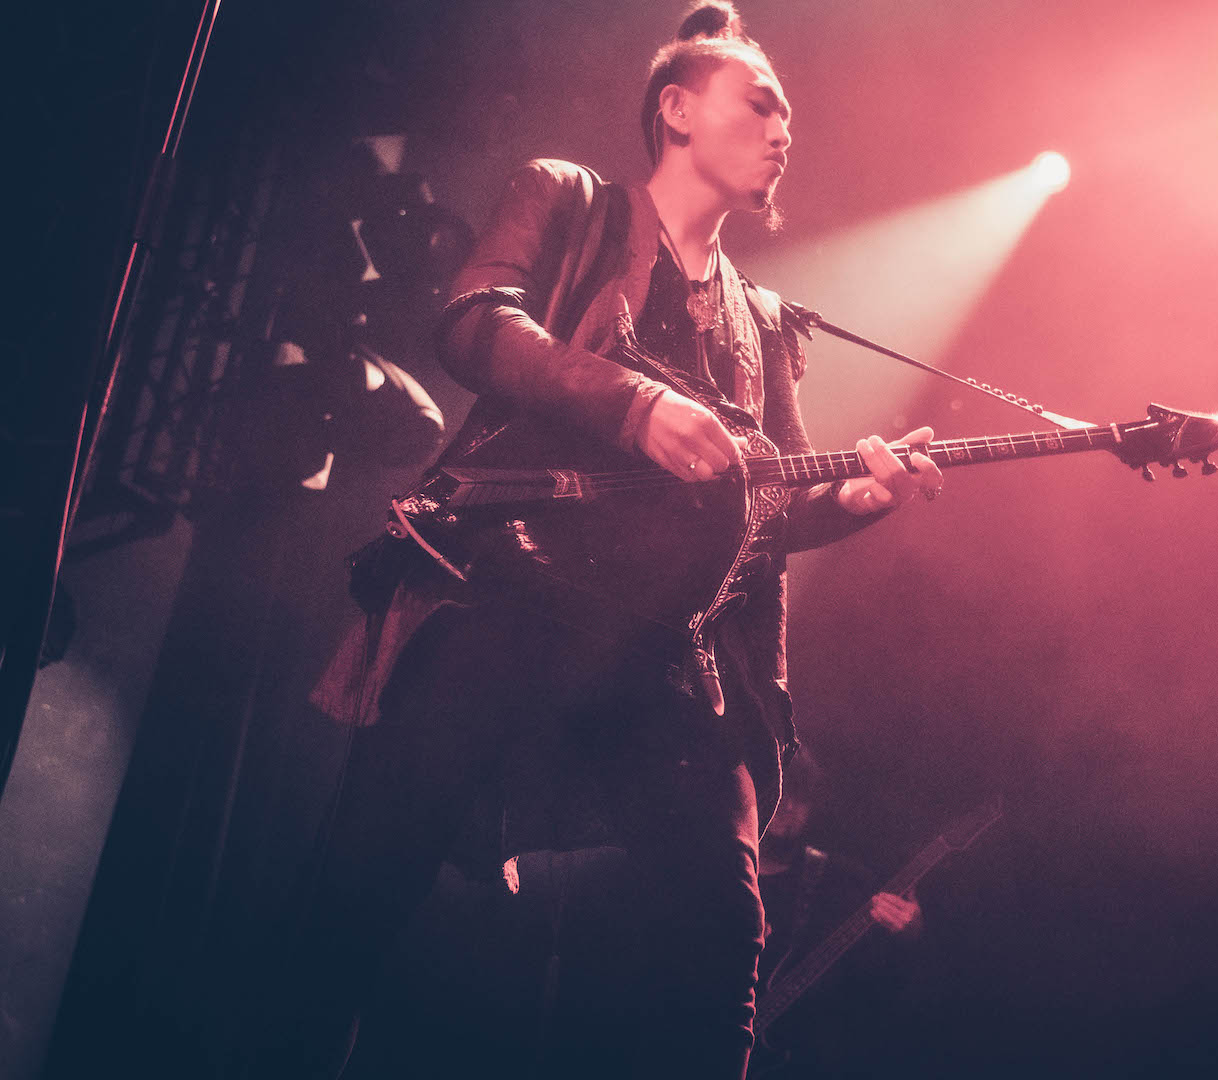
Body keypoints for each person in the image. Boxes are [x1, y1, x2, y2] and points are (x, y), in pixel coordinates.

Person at [271, 3, 944, 1078]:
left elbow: (773, 494)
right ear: (677, 110)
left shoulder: (764, 318)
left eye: (787, 115)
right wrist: (634, 407)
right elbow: (475, 320)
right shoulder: (567, 198)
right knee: (370, 866)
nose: (783, 130)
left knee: (724, 928)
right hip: (506, 593)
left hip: (664, 652)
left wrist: (858, 500)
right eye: (760, 102)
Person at [752, 749, 924, 1078]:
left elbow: (879, 986)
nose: (788, 807)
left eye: (801, 798)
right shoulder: (715, 876)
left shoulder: (840, 881)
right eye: (782, 792)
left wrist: (910, 934)